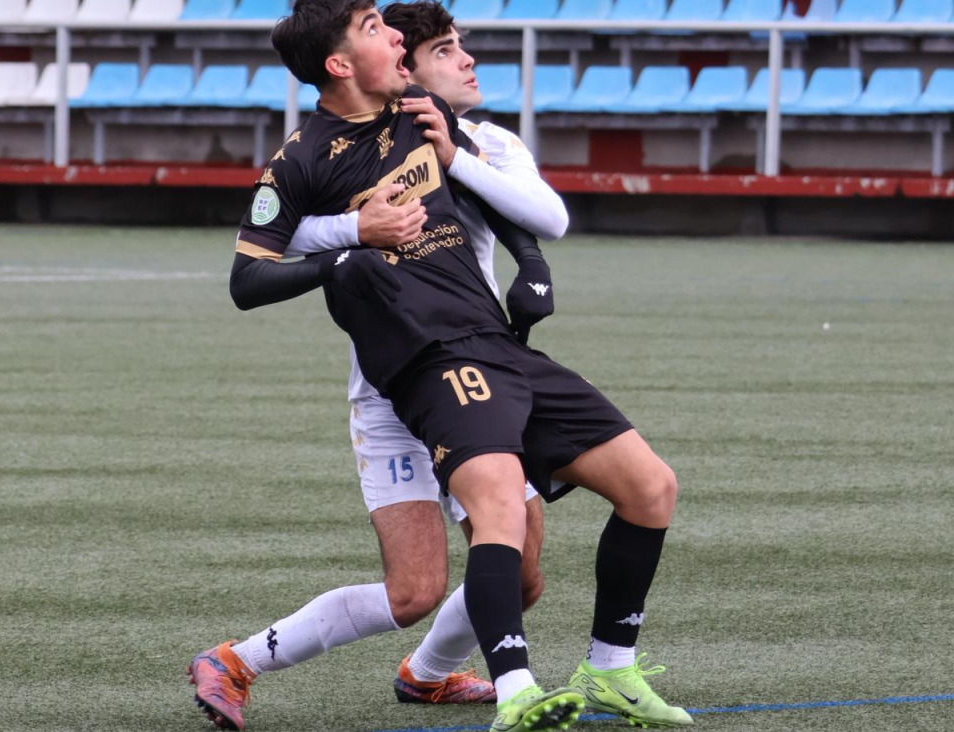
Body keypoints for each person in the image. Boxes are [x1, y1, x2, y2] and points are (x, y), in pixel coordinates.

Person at [202, 0, 691, 729]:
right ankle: (236, 660)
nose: (397, 36)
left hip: (486, 351)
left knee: (532, 563)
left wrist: (531, 266)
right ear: (338, 64)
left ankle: (444, 676)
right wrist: (354, 241)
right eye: (374, 28)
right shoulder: (300, 160)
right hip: (399, 382)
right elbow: (248, 279)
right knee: (415, 591)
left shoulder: (424, 111)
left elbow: (490, 201)